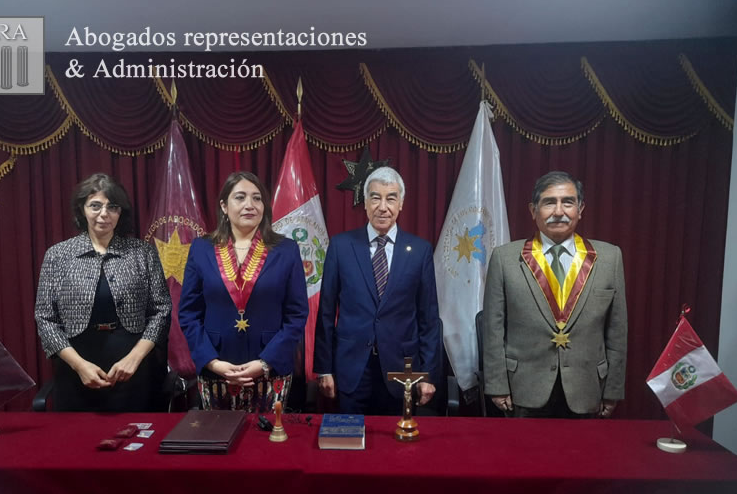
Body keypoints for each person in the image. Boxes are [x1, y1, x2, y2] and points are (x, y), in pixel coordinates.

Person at [482, 171, 627, 418]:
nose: (558, 211)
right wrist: (497, 386)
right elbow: (493, 329)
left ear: (580, 209)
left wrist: (612, 389)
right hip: (524, 389)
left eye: (567, 202)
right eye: (549, 202)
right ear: (533, 210)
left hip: (587, 389)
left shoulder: (610, 258)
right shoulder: (504, 258)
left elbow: (617, 331)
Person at [35, 173, 171, 411]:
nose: (104, 214)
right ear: (82, 209)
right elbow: (45, 318)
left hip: (133, 367)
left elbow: (161, 310)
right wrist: (79, 366)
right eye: (95, 206)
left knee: (137, 440)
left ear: (121, 212)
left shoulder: (143, 253)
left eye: (112, 207)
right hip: (76, 367)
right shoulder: (58, 255)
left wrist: (135, 358)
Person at [314, 166, 441, 415]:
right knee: (350, 447)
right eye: (375, 197)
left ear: (401, 204)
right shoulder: (341, 246)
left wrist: (428, 374)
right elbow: (326, 313)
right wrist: (324, 368)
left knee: (396, 449)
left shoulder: (420, 251)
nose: (383, 207)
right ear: (365, 202)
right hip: (351, 368)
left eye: (391, 198)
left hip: (401, 371)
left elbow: (428, 318)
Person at [178, 171, 308, 411]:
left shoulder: (286, 250)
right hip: (217, 368)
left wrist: (265, 362)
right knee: (218, 441)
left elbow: (297, 315)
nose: (250, 205)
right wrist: (212, 362)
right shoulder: (201, 249)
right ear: (224, 206)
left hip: (270, 369)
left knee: (266, 444)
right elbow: (188, 313)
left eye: (257, 198)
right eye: (240, 197)